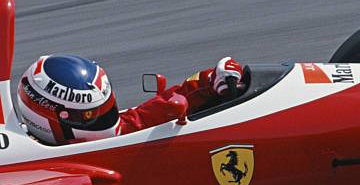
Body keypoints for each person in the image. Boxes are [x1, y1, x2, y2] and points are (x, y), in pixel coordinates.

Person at [16, 54, 243, 145]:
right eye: (89, 115)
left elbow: (152, 112)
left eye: (104, 106)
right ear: (49, 119)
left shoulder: (120, 131)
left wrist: (209, 79)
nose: (104, 118)